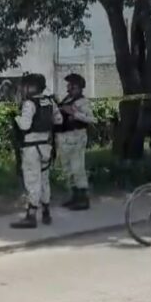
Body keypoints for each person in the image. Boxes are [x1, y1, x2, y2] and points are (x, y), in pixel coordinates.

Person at [11, 73, 63, 229]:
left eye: (26, 85)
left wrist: (16, 118)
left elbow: (25, 126)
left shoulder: (29, 103)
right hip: (46, 146)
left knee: (32, 180)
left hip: (31, 148)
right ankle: (46, 212)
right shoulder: (50, 101)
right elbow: (59, 120)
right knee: (44, 179)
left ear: (33, 87)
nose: (24, 88)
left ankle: (31, 216)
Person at [56, 73, 96, 211]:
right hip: (65, 138)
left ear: (78, 87)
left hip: (77, 137)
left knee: (78, 168)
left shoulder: (82, 102)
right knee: (68, 170)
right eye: (69, 85)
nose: (69, 87)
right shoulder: (67, 99)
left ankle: (83, 199)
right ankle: (74, 197)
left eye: (72, 85)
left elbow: (91, 119)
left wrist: (74, 113)